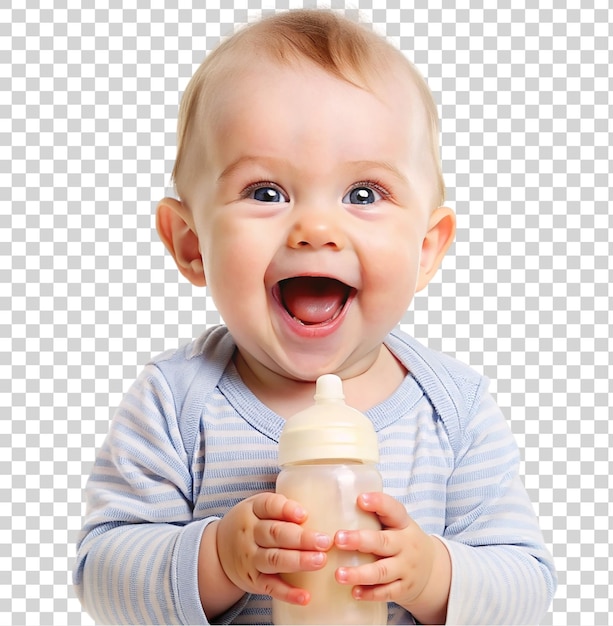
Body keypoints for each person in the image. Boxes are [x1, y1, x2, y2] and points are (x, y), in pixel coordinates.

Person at [73, 9, 556, 625]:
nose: (316, 230)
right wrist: (219, 559)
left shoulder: (453, 410)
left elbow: (526, 586)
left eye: (364, 194)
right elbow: (102, 575)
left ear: (426, 248)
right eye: (266, 192)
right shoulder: (176, 401)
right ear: (192, 244)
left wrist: (432, 574)